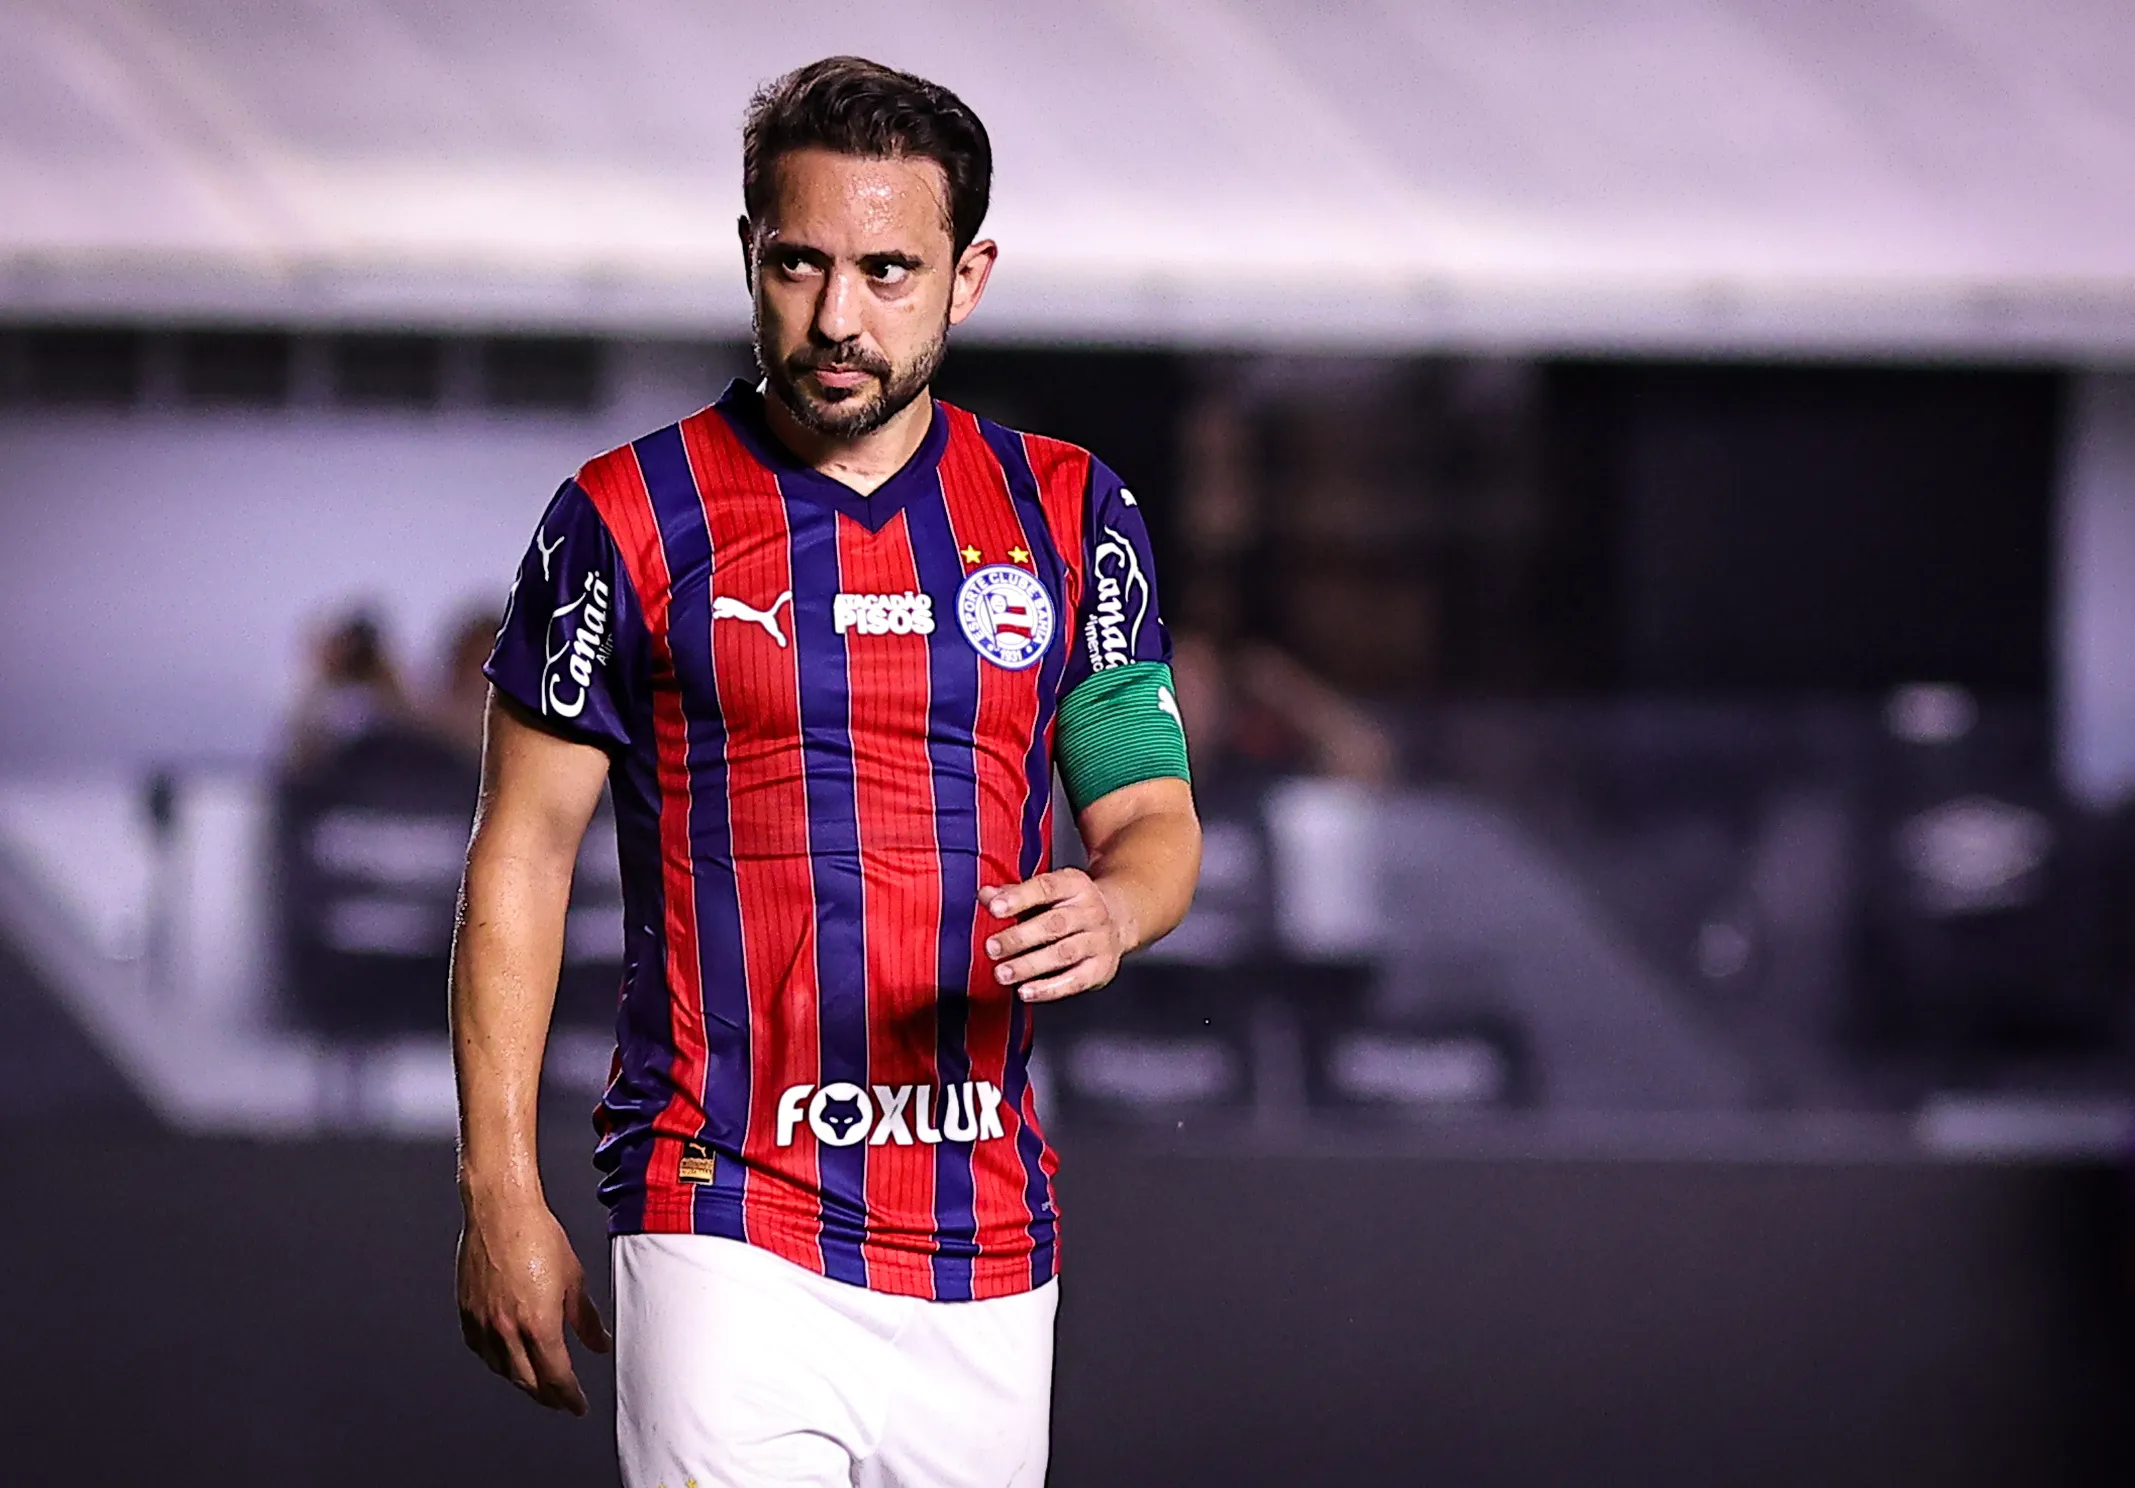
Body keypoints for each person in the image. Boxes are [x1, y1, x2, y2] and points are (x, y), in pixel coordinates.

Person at [451, 56, 1202, 1488]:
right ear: (748, 254)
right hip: (717, 1199)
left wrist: (1118, 908)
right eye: (798, 264)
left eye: (887, 270)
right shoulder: (622, 516)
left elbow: (1153, 819)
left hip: (983, 1226)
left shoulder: (1064, 509)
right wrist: (497, 1187)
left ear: (967, 277)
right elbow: (520, 856)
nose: (837, 316)